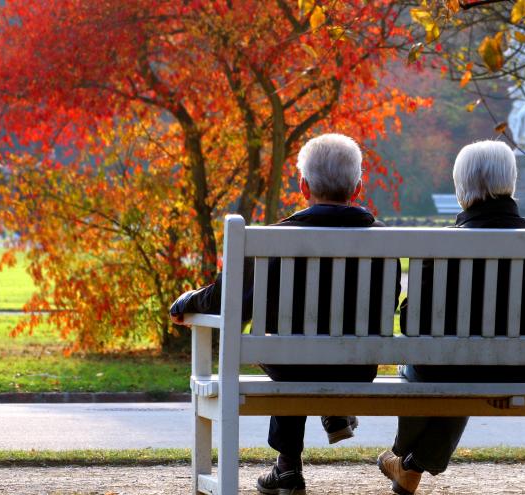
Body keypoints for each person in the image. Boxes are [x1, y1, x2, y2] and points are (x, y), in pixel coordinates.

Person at [170, 133, 399, 495]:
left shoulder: (273, 240)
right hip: (358, 367)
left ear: (303, 185)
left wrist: (186, 301)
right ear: (357, 188)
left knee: (289, 347)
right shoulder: (385, 240)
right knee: (304, 347)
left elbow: (226, 301)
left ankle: (288, 468)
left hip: (291, 365)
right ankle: (332, 412)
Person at [377, 140, 525, 495]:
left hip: (446, 368)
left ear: (461, 188)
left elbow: (412, 325)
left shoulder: (442, 246)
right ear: (511, 182)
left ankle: (404, 459)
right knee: (464, 367)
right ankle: (410, 466)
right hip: (518, 371)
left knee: (431, 368)